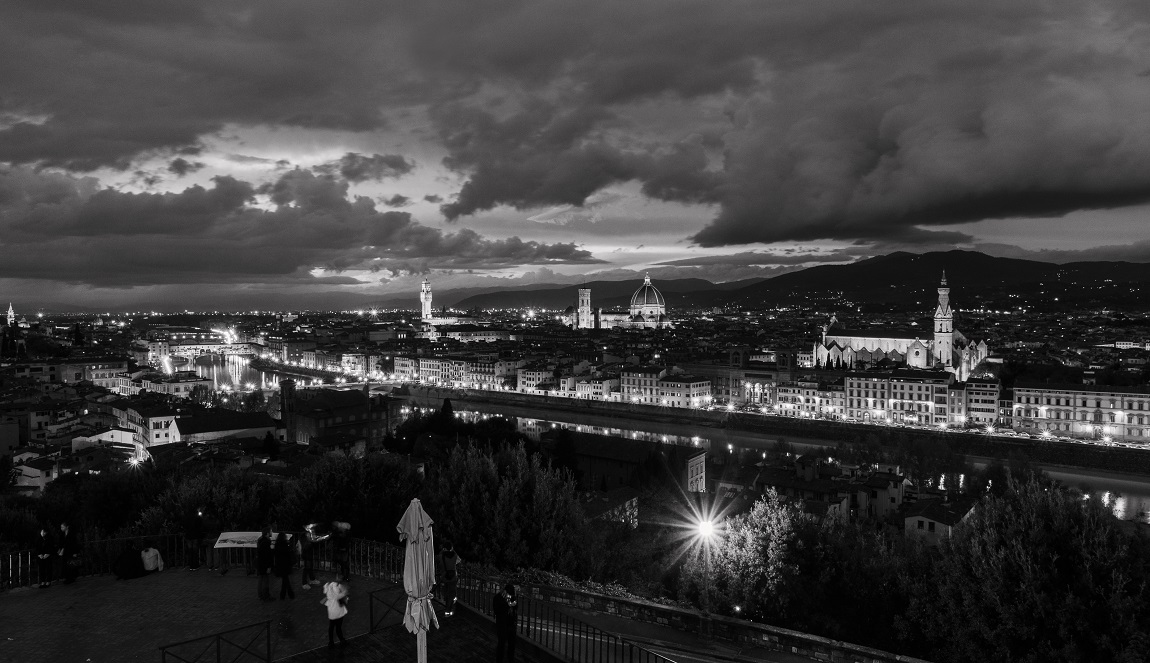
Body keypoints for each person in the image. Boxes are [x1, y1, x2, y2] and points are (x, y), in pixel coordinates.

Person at [322, 574, 349, 648]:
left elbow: (325, 592)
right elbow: (339, 596)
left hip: (331, 609)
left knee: (331, 627)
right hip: (338, 609)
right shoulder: (339, 586)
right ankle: (341, 640)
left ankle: (331, 642)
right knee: (338, 627)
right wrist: (345, 592)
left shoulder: (327, 585)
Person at [494, 583, 518, 663]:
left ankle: (510, 659)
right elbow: (497, 610)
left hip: (511, 624)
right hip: (502, 624)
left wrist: (513, 604)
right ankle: (499, 660)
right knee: (501, 644)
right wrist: (508, 604)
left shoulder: (512, 597)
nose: (510, 596)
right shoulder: (498, 597)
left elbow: (515, 608)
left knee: (511, 644)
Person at [438, 542, 461, 616]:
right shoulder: (454, 555)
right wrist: (453, 550)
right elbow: (459, 560)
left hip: (445, 577)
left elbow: (439, 562)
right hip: (453, 577)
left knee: (446, 592)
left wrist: (442, 551)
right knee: (452, 593)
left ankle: (447, 605)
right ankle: (449, 609)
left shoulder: (441, 556)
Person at [274, 532, 296, 600]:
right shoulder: (285, 544)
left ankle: (284, 594)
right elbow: (288, 554)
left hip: (280, 564)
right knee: (286, 579)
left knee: (285, 579)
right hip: (286, 564)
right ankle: (289, 594)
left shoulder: (277, 544)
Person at [256, 527, 273, 601]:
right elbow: (267, 555)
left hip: (260, 563)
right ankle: (266, 596)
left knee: (261, 579)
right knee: (265, 580)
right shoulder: (266, 542)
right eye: (271, 531)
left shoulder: (260, 540)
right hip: (264, 564)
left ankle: (261, 595)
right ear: (267, 533)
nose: (272, 533)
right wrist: (268, 566)